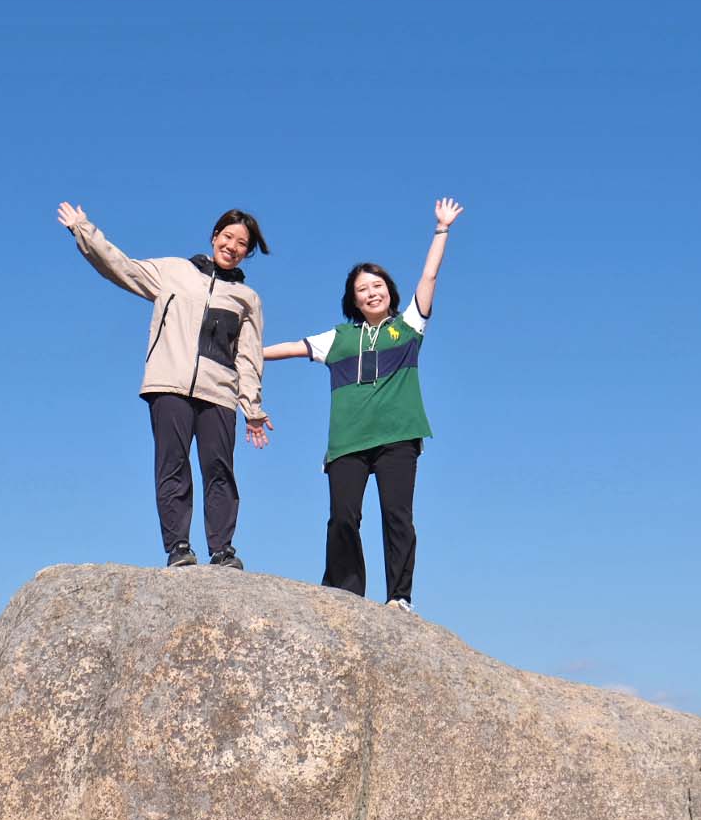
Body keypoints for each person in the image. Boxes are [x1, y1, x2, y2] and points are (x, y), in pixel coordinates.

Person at [264, 197, 463, 610]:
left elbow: (429, 275)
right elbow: (289, 348)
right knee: (342, 517)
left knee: (397, 517)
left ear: (390, 292)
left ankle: (399, 597)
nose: (372, 293)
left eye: (377, 286)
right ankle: (345, 594)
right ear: (353, 301)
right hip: (348, 442)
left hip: (398, 437)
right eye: (362, 290)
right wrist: (244, 350)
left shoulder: (408, 327)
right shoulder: (337, 338)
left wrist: (441, 229)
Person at [56, 201, 273, 569]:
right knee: (172, 465)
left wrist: (251, 407)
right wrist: (84, 230)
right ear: (214, 236)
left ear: (247, 253)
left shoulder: (247, 299)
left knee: (219, 469)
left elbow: (249, 357)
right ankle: (178, 547)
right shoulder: (174, 271)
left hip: (218, 392)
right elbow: (121, 267)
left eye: (242, 244)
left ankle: (222, 550)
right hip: (169, 384)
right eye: (228, 236)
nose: (232, 246)